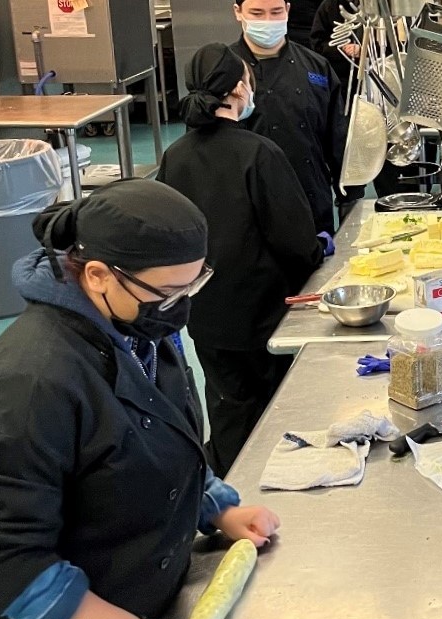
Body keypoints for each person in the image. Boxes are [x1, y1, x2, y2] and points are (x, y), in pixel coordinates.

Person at [0, 179, 280, 619]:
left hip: (153, 590)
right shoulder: (31, 381)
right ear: (97, 275)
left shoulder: (135, 325)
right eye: (167, 291)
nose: (178, 307)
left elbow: (161, 439)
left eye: (192, 285)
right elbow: (11, 560)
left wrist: (216, 507)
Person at [158, 43, 329, 475]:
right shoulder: (258, 153)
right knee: (274, 414)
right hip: (262, 317)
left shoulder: (174, 156)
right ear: (240, 87)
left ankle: (226, 500)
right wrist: (320, 248)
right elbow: (294, 241)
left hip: (204, 314)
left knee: (230, 409)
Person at [230, 0, 362, 235]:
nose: (268, 21)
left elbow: (338, 139)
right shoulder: (224, 71)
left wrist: (350, 198)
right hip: (247, 213)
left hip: (311, 203)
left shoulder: (316, 67)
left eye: (276, 12)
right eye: (257, 13)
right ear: (238, 12)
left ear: (288, 11)